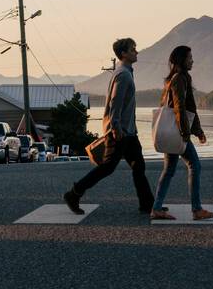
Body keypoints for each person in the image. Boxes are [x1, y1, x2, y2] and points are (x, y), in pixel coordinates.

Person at [63, 38, 154, 214]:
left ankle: (148, 205)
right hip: (120, 132)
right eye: (133, 49)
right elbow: (115, 103)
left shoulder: (126, 72)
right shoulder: (123, 74)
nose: (137, 52)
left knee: (138, 167)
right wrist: (116, 128)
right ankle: (74, 193)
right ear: (123, 54)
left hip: (129, 132)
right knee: (107, 167)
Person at [151, 45, 213, 221]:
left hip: (172, 131)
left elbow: (183, 107)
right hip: (179, 132)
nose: (192, 61)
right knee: (195, 166)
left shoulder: (175, 78)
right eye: (190, 58)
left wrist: (197, 131)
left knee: (169, 170)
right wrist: (187, 133)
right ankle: (197, 209)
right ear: (182, 60)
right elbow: (181, 107)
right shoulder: (180, 79)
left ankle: (156, 208)